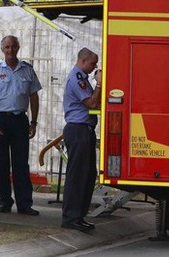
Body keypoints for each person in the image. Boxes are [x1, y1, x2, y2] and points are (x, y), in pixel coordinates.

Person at [0, 35, 42, 216]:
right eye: (7, 47)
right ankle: (5, 201)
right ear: (2, 49)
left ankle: (24, 204)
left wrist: (33, 122)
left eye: (13, 47)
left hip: (19, 120)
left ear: (18, 48)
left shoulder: (28, 70)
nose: (10, 50)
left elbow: (34, 97)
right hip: (0, 120)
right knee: (1, 164)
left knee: (21, 164)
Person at [61, 47, 103, 232]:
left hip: (85, 130)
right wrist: (100, 84)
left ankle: (79, 215)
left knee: (88, 175)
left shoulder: (83, 79)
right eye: (93, 63)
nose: (95, 67)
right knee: (77, 176)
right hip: (78, 130)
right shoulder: (77, 79)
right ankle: (71, 217)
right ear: (84, 61)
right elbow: (92, 102)